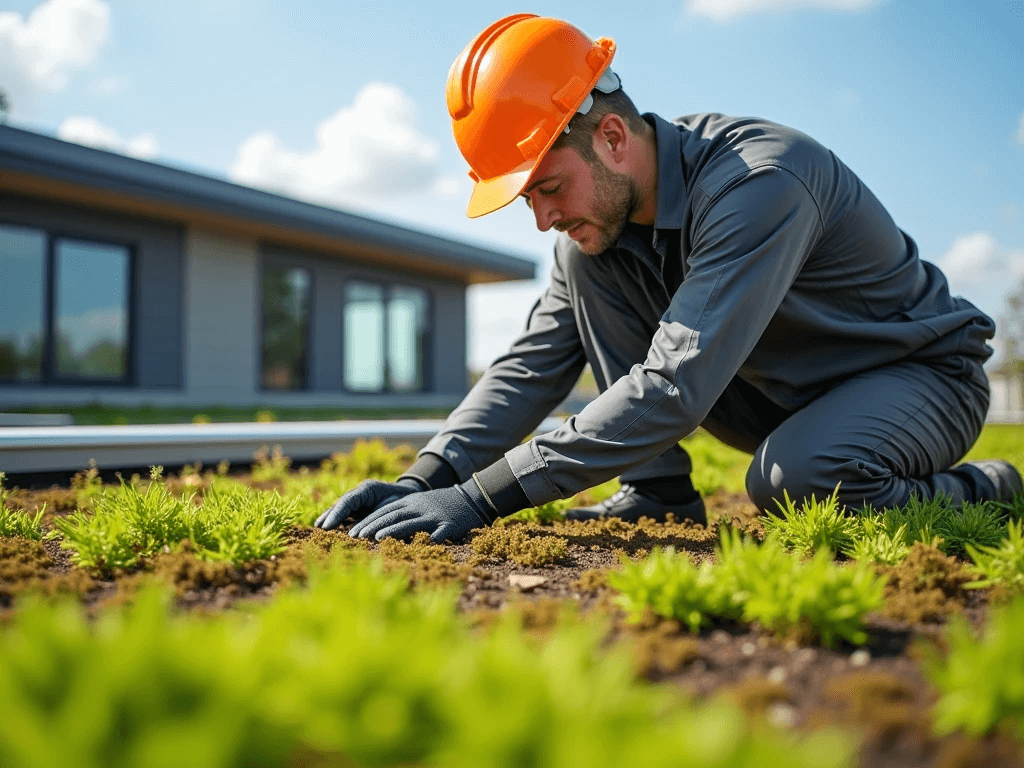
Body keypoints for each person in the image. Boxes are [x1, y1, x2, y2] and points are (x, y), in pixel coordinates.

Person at [317, 13, 1022, 542]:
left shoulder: (760, 183)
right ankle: (656, 493)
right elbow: (528, 369)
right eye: (528, 199)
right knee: (583, 258)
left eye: (548, 187)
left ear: (613, 138)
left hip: (919, 379)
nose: (541, 219)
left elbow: (673, 384)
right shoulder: (600, 233)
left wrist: (481, 498)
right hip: (777, 400)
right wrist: (428, 477)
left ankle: (982, 488)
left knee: (798, 479)